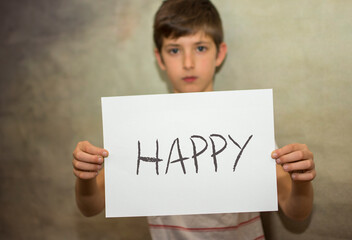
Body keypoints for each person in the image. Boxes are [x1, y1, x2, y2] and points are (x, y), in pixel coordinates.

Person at [72, 0, 316, 239]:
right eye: (175, 50)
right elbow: (91, 206)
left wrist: (301, 179)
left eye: (200, 48)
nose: (188, 63)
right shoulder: (142, 127)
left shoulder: (245, 122)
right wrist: (86, 177)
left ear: (219, 54)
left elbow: (295, 209)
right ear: (160, 59)